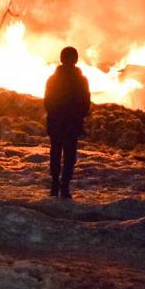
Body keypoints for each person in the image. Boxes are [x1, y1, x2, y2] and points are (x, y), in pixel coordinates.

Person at [43, 46, 91, 199]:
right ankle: (64, 186)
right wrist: (77, 116)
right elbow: (85, 103)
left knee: (55, 153)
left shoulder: (53, 79)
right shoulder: (81, 80)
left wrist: (55, 114)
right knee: (69, 155)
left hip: (56, 122)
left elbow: (47, 102)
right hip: (72, 123)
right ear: (76, 60)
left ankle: (55, 184)